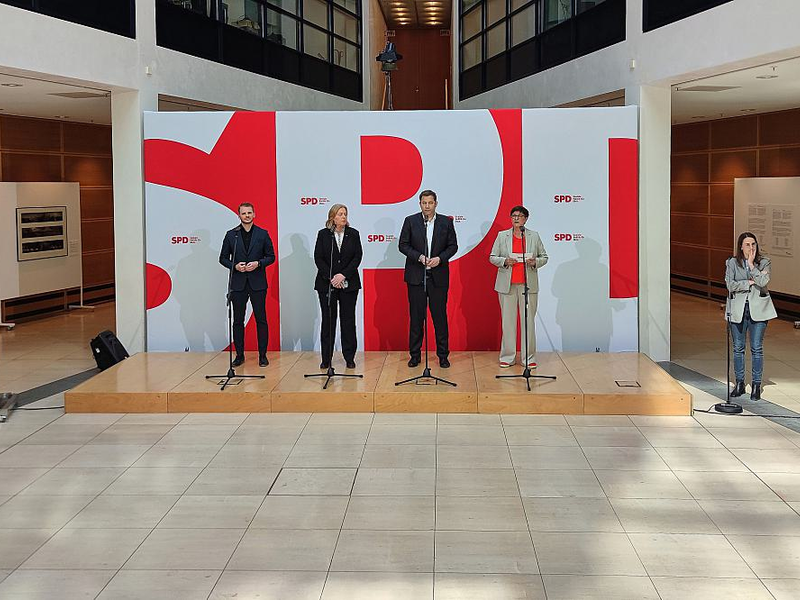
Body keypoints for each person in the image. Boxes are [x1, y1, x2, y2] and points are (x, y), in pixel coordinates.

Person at [399, 189, 458, 368]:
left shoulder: (446, 222)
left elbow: (453, 246)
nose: (427, 206)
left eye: (430, 203)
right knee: (417, 318)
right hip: (416, 277)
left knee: (439, 318)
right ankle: (415, 355)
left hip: (438, 277)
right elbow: (403, 245)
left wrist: (440, 259)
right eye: (424, 203)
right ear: (420, 204)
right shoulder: (411, 221)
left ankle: (443, 355)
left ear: (436, 204)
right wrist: (419, 257)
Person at [489, 205, 549, 368]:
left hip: (528, 285)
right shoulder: (502, 236)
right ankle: (508, 356)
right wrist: (504, 261)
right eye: (513, 215)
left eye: (520, 216)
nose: (516, 218)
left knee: (528, 322)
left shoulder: (534, 236)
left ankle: (528, 358)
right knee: (508, 322)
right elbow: (492, 257)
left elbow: (544, 256)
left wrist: (535, 262)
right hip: (507, 286)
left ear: (525, 219)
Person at [218, 202, 275, 367]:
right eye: (244, 213)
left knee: (261, 320)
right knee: (238, 321)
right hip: (238, 284)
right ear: (239, 216)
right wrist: (235, 266)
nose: (247, 215)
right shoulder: (231, 235)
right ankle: (239, 355)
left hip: (258, 283)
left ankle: (262, 355)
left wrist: (258, 263)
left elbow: (271, 256)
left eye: (249, 212)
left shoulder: (262, 234)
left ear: (254, 214)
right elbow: (223, 258)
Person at [725, 231, 777, 400]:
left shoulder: (764, 262)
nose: (751, 247)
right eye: (747, 244)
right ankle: (739, 383)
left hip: (759, 311)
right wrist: (748, 283)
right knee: (738, 348)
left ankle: (756, 385)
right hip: (738, 310)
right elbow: (730, 285)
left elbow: (763, 282)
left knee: (756, 348)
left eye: (753, 244)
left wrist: (752, 266)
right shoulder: (732, 263)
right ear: (741, 247)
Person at [314, 203, 363, 369]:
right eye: (340, 214)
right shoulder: (323, 234)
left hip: (349, 283)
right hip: (326, 284)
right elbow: (319, 258)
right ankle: (326, 359)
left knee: (348, 320)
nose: (343, 216)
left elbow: (357, 257)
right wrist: (332, 277)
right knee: (328, 320)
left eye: (345, 214)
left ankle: (349, 357)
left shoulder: (353, 234)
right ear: (332, 217)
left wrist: (343, 275)